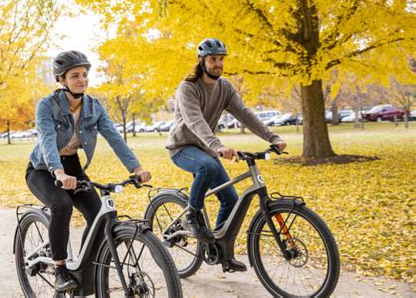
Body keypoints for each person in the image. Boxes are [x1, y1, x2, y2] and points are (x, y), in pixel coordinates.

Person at [25, 50, 151, 291]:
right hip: (42, 169)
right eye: (75, 76)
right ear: (61, 80)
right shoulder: (47, 105)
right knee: (62, 205)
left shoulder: (93, 106)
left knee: (97, 216)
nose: (82, 80)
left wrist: (136, 167)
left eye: (84, 74)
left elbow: (114, 137)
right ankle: (61, 268)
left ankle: (83, 265)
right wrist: (58, 172)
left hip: (73, 166)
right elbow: (47, 139)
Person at [166, 38, 286, 272]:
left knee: (231, 200)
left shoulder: (225, 87)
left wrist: (272, 138)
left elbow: (245, 114)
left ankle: (220, 252)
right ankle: (192, 215)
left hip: (205, 148)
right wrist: (217, 145)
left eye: (221, 59)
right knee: (208, 167)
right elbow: (194, 121)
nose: (218, 64)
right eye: (213, 59)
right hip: (182, 147)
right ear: (202, 61)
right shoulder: (187, 87)